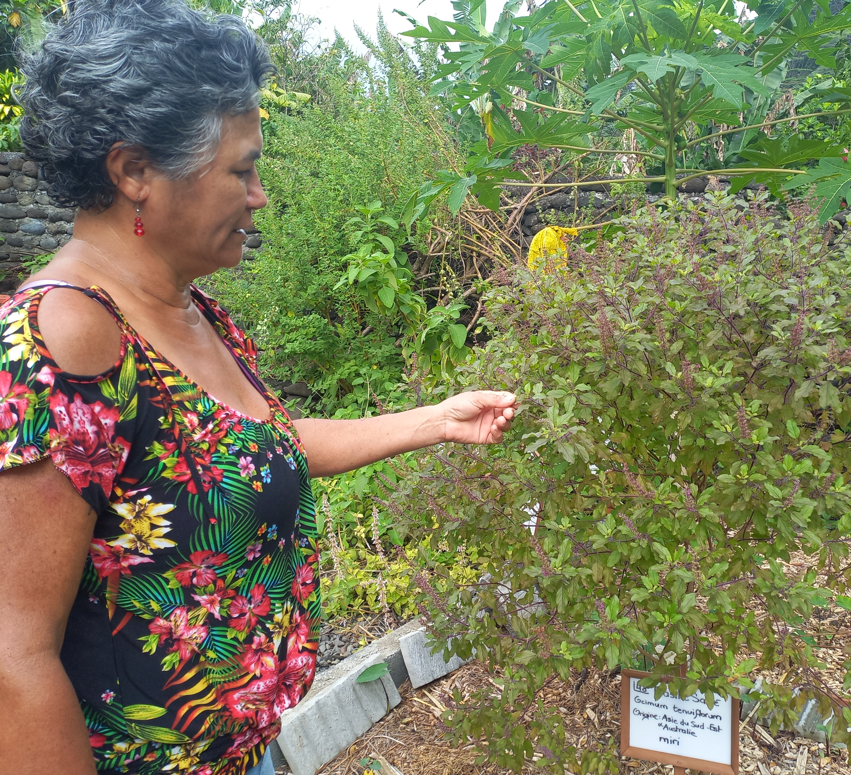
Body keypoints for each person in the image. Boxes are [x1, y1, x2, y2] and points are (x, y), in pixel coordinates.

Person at [0, 3, 515, 774]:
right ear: (135, 171)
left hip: (251, 752)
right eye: (242, 169)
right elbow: (14, 655)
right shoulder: (62, 339)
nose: (260, 195)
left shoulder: (186, 307)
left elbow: (241, 452)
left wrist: (435, 418)